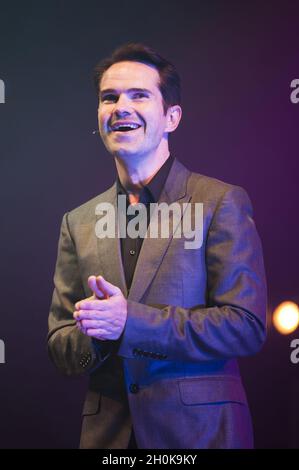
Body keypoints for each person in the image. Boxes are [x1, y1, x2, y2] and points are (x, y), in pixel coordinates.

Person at [47, 43, 267, 449]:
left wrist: (129, 322)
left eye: (139, 95)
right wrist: (97, 333)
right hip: (107, 440)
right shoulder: (77, 222)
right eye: (109, 97)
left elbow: (246, 327)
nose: (120, 107)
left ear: (171, 117)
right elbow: (61, 346)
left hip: (200, 436)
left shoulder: (219, 202)